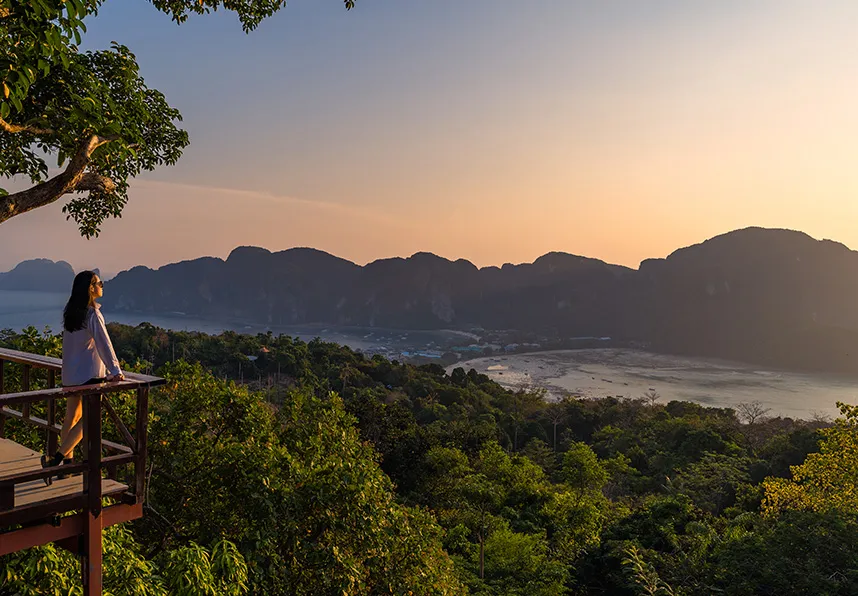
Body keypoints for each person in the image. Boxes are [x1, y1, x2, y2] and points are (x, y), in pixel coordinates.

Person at [41, 271, 124, 483]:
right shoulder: (92, 315)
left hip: (70, 374)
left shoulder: (72, 314)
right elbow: (104, 344)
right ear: (90, 287)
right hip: (89, 375)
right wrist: (115, 370)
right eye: (99, 283)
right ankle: (57, 459)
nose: (102, 286)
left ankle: (67, 465)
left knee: (72, 417)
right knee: (89, 420)